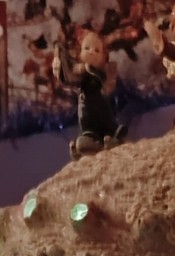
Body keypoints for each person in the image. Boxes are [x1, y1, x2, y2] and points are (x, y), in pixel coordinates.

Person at [52, 30, 126, 159]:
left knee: (105, 122)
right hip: (85, 106)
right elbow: (70, 79)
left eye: (97, 50)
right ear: (80, 54)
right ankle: (88, 141)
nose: (91, 52)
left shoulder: (98, 73)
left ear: (104, 57)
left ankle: (112, 136)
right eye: (86, 48)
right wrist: (61, 66)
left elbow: (99, 77)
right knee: (87, 125)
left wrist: (85, 68)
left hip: (98, 105)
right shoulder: (80, 74)